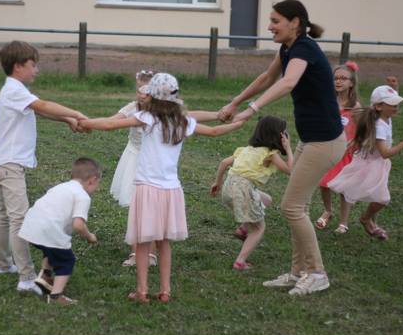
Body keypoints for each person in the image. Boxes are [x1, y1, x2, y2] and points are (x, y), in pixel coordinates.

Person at [219, 0, 346, 296]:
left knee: (291, 207)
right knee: (295, 207)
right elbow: (268, 77)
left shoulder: (304, 48)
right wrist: (235, 102)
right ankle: (297, 272)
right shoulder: (288, 49)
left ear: (295, 22)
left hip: (325, 143)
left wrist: (251, 110)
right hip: (310, 140)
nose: (269, 26)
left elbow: (289, 82)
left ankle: (316, 273)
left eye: (276, 21)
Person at [80, 72, 244, 303]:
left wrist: (84, 123)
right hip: (171, 190)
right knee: (164, 242)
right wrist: (239, 123)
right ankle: (165, 291)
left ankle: (142, 291)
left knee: (143, 242)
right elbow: (215, 131)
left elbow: (110, 124)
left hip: (147, 188)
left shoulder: (147, 118)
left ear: (152, 96)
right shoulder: (183, 121)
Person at [0, 40, 88, 296]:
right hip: (9, 164)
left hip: (1, 162)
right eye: (33, 65)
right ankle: (26, 277)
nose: (37, 70)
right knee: (20, 218)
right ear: (18, 66)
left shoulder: (14, 90)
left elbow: (38, 112)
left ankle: (4, 264)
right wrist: (76, 112)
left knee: (5, 215)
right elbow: (41, 105)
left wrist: (67, 119)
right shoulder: (14, 89)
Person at [327, 85, 403, 240]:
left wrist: (394, 87)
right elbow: (385, 153)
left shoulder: (385, 118)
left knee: (377, 196)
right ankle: (366, 218)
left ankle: (371, 222)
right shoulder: (380, 125)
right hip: (372, 164)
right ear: (379, 107)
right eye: (392, 105)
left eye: (396, 104)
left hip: (378, 164)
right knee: (382, 199)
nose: (396, 108)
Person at [210, 115, 293, 271]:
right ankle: (240, 262)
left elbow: (224, 163)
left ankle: (242, 229)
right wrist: (288, 149)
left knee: (266, 199)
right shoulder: (270, 153)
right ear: (277, 135)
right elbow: (290, 170)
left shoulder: (246, 149)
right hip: (244, 190)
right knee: (258, 228)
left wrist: (217, 182)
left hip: (230, 187)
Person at [18, 158, 101, 306]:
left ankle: (46, 275)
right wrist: (90, 237)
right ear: (92, 180)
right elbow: (78, 225)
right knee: (66, 260)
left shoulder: (61, 187)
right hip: (49, 230)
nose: (98, 188)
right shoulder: (82, 196)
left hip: (31, 226)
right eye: (98, 184)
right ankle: (56, 296)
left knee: (50, 248)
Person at [110, 69, 159, 268]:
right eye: (138, 90)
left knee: (152, 208)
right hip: (134, 158)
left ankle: (152, 253)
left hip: (154, 162)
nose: (141, 94)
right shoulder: (132, 108)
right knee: (136, 206)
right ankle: (135, 252)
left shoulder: (163, 112)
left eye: (145, 91)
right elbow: (113, 120)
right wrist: (86, 123)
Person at [316, 61, 362, 235]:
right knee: (324, 183)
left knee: (344, 188)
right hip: (328, 148)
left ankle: (344, 222)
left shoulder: (355, 106)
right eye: (336, 78)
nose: (339, 81)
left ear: (351, 82)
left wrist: (355, 142)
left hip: (346, 152)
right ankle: (328, 210)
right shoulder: (328, 102)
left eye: (344, 78)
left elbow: (361, 130)